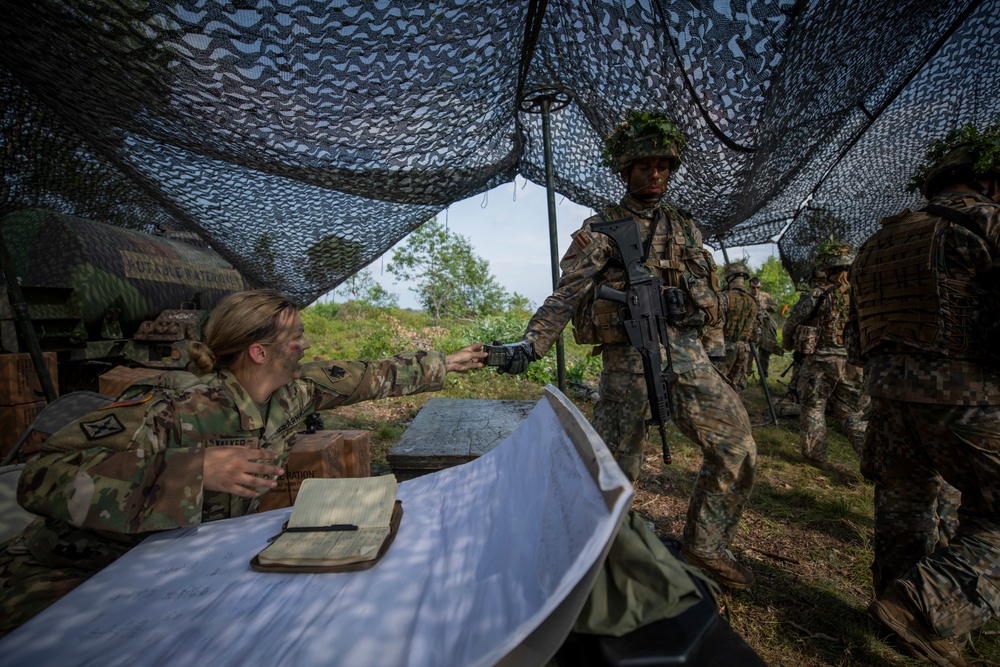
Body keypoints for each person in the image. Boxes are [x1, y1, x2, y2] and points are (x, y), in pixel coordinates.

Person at [0, 289, 487, 637]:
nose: (307, 346)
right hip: (74, 570)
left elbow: (364, 376)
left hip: (175, 564)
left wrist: (447, 361)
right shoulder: (173, 406)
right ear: (259, 351)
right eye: (296, 337)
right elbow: (42, 475)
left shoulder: (292, 392)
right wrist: (195, 470)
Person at [490, 110, 758, 590]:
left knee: (737, 449)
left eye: (663, 166)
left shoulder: (686, 228)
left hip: (688, 358)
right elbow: (566, 293)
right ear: (625, 171)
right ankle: (592, 564)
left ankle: (705, 546)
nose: (655, 174)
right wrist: (531, 344)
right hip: (628, 363)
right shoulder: (602, 230)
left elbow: (710, 294)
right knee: (611, 472)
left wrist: (698, 316)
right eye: (644, 166)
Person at [849, 122, 1000, 666]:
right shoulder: (985, 222)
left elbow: (856, 333)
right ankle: (927, 606)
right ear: (990, 182)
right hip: (964, 391)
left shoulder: (878, 240)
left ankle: (895, 603)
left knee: (904, 499)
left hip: (888, 395)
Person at [781, 242, 867, 462]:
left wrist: (788, 344)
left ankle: (814, 459)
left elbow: (792, 323)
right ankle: (874, 463)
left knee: (813, 409)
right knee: (852, 415)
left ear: (827, 269)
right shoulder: (862, 294)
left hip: (821, 362)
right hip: (854, 363)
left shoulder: (818, 295)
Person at [715, 261, 757, 390]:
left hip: (725, 349)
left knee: (719, 387)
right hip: (744, 350)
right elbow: (756, 329)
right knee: (735, 388)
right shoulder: (752, 300)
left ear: (729, 278)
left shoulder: (723, 298)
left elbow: (715, 324)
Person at [746, 276, 782, 381]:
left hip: (765, 330)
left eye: (758, 287)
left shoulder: (765, 296)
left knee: (765, 355)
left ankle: (763, 378)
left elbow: (775, 308)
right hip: (751, 330)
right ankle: (746, 377)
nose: (755, 290)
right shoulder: (746, 297)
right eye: (753, 287)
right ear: (749, 286)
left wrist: (766, 307)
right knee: (748, 354)